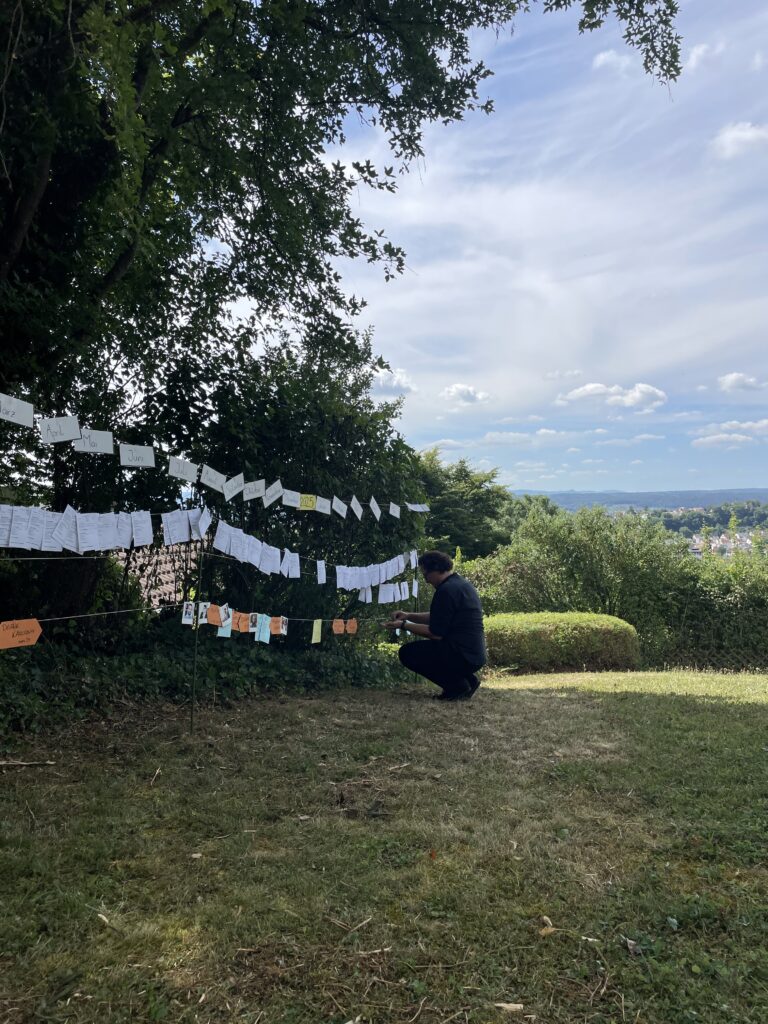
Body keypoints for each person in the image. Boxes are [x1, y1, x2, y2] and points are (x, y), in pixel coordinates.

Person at [383, 550, 486, 701]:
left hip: (462, 655)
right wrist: (409, 615)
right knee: (434, 650)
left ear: (436, 569)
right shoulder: (461, 584)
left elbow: (435, 633)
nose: (426, 580)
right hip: (474, 654)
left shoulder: (446, 590)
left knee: (408, 653)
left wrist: (403, 625)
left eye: (425, 575)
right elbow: (438, 617)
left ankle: (457, 687)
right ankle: (469, 680)